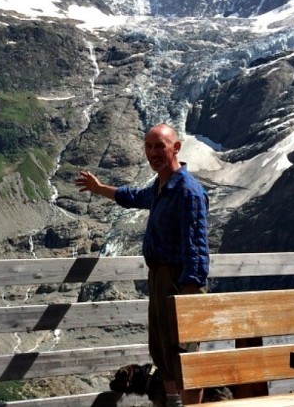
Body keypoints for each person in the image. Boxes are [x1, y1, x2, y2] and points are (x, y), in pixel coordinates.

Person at [74, 123, 218, 407]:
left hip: (179, 284)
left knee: (185, 357)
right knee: (164, 353)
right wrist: (99, 188)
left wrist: (189, 297)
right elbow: (133, 197)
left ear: (176, 148)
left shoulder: (187, 191)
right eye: (149, 147)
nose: (153, 153)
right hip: (161, 281)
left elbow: (197, 247)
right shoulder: (161, 186)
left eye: (160, 146)